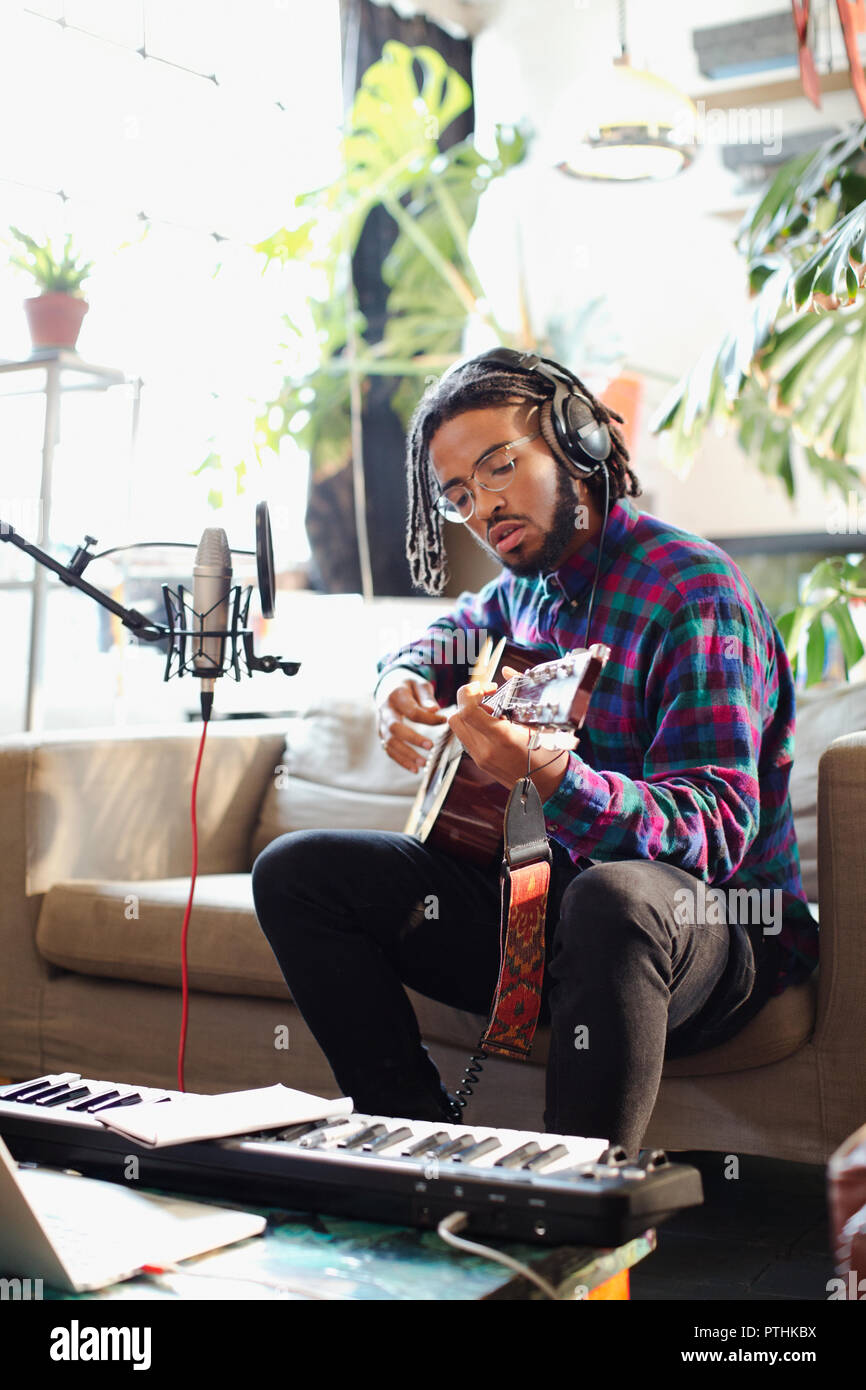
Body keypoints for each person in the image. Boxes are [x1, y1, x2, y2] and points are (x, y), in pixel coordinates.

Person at [251, 349, 818, 1158]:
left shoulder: (694, 590)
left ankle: (570, 1202)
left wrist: (547, 776)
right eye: (457, 495)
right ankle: (420, 1149)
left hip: (715, 932)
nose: (483, 507)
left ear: (578, 443)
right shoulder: (521, 591)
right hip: (555, 927)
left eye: (499, 468)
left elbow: (717, 834)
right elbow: (446, 633)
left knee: (612, 901)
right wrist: (399, 679)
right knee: (297, 872)